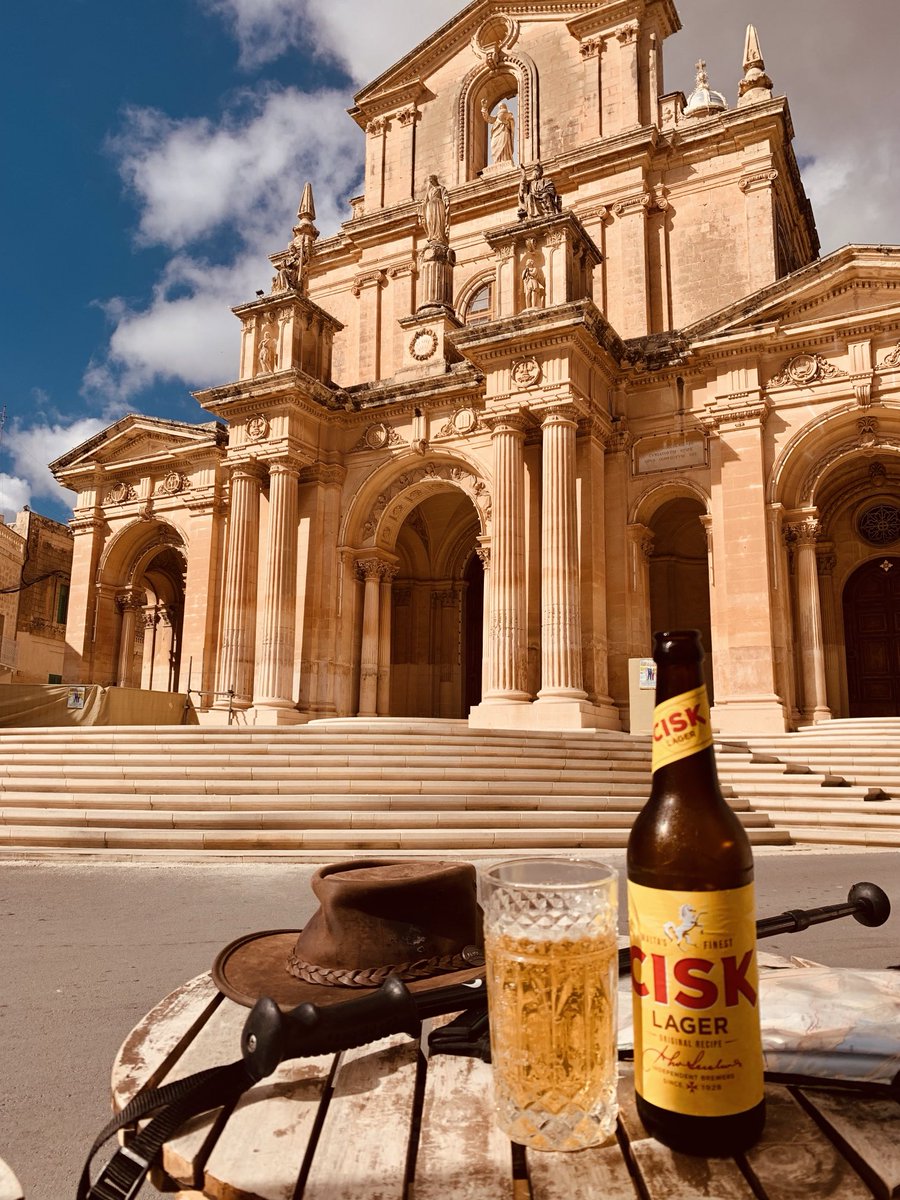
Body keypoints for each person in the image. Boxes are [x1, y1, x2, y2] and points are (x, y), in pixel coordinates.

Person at [481, 99, 515, 164]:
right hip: (495, 134)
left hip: (504, 132)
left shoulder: (509, 115)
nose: (500, 108)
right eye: (499, 108)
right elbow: (487, 118)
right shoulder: (496, 119)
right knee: (494, 146)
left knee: (504, 145)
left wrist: (507, 122)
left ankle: (505, 160)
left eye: (501, 107)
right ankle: (497, 161)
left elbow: (512, 123)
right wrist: (484, 108)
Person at [422, 175, 450, 244]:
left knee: (438, 220)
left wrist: (446, 201)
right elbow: (425, 200)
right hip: (430, 206)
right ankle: (431, 235)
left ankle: (438, 236)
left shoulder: (441, 188)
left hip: (438, 205)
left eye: (431, 180)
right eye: (429, 181)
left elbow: (445, 195)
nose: (430, 182)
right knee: (429, 221)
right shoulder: (429, 191)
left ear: (434, 180)